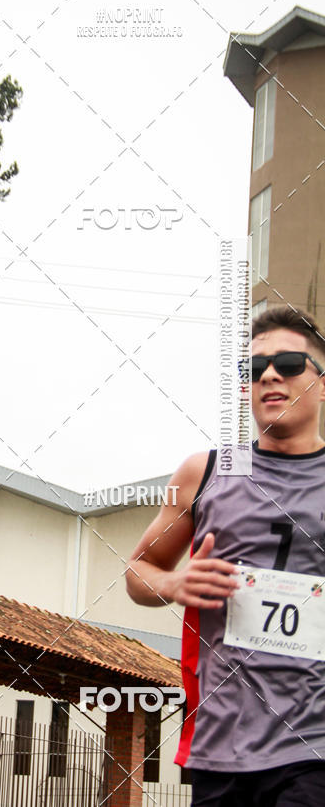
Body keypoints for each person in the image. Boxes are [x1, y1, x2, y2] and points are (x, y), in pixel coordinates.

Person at [126, 305, 325, 806]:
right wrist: (172, 583)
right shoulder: (207, 471)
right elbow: (138, 570)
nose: (270, 376)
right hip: (221, 747)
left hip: (314, 746)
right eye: (254, 368)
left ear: (322, 383)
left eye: (289, 364)